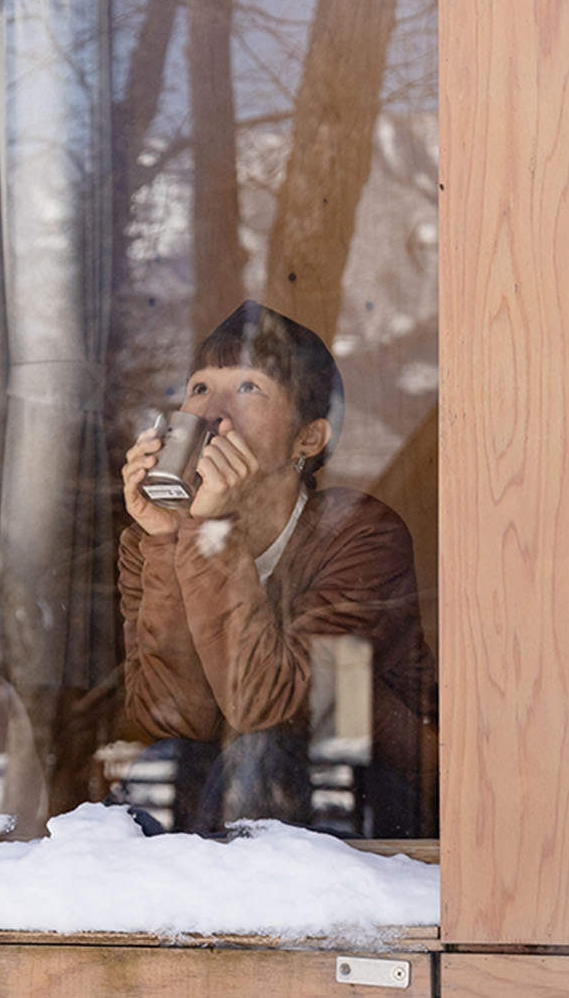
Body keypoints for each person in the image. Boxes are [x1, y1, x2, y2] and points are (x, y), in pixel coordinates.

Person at [116, 301, 437, 837]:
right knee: (159, 767)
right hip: (233, 796)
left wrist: (211, 533)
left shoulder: (359, 535)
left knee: (264, 756)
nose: (212, 412)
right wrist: (169, 540)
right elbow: (170, 721)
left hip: (366, 797)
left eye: (248, 388)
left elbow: (268, 708)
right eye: (199, 388)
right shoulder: (155, 538)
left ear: (307, 439)